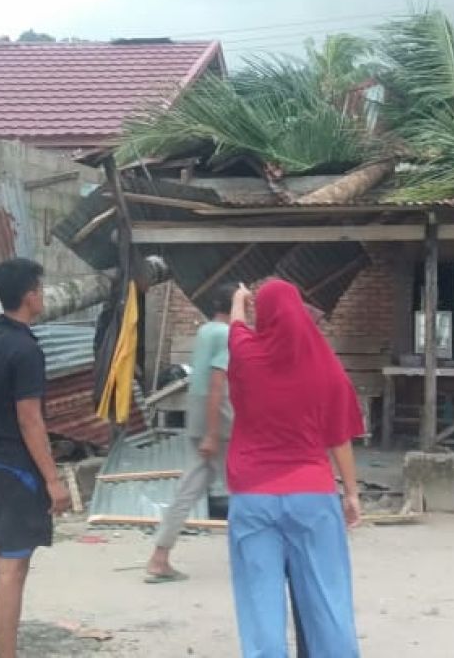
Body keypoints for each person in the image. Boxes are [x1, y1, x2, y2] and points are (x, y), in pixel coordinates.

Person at [226, 279, 364, 658]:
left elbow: (236, 329)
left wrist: (240, 301)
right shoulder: (325, 367)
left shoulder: (247, 355)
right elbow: (339, 438)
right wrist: (351, 494)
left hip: (253, 497)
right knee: (328, 604)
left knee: (260, 605)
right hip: (313, 497)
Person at [0, 258, 71, 658]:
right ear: (29, 295)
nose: (42, 295)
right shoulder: (25, 349)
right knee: (12, 570)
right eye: (40, 289)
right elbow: (30, 420)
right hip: (14, 470)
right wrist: (53, 480)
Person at [145, 284, 237, 582]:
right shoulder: (226, 335)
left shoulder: (206, 330)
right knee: (245, 486)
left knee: (190, 487)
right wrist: (213, 431)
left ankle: (159, 556)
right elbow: (217, 383)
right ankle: (255, 559)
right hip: (217, 414)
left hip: (197, 411)